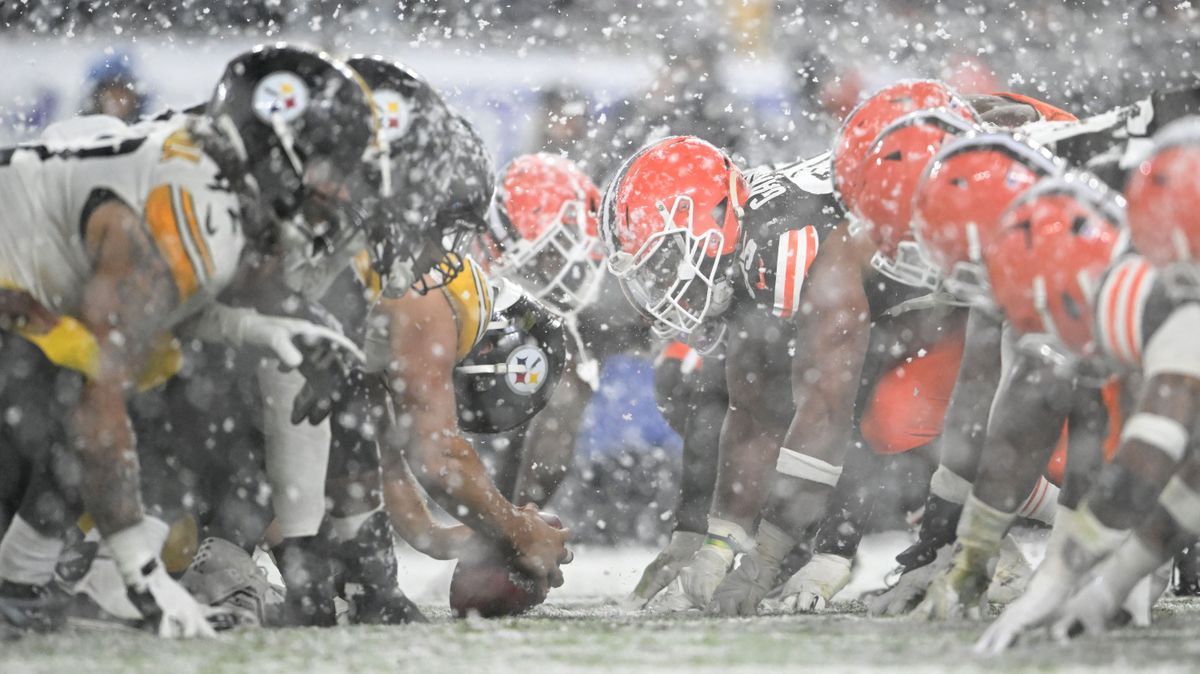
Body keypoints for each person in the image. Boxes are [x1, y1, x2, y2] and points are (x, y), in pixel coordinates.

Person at [0, 43, 376, 638]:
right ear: (277, 147)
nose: (336, 190)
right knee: (146, 388)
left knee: (163, 368)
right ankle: (81, 579)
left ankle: (23, 580)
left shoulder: (200, 176)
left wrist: (258, 328)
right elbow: (103, 387)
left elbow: (146, 309)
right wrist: (139, 575)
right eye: (328, 163)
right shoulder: (194, 208)